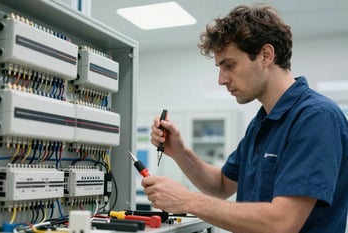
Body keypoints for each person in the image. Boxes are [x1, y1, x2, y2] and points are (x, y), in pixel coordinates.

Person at [142, 4, 348, 233]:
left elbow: (282, 223)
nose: (222, 79)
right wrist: (180, 151)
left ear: (266, 55)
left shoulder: (315, 118)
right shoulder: (261, 124)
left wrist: (188, 201)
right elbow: (220, 185)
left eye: (229, 65)